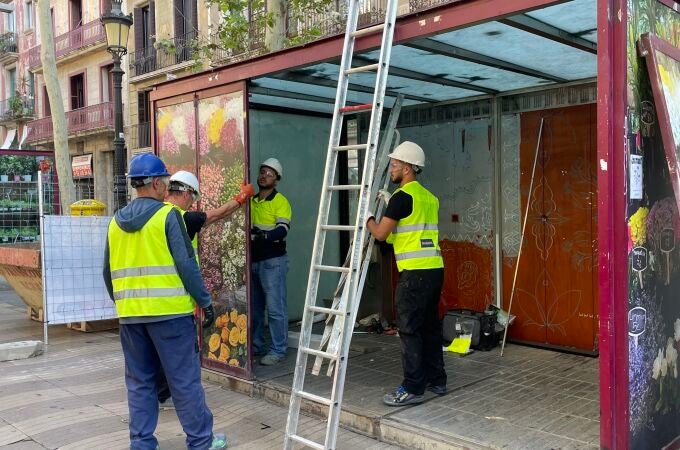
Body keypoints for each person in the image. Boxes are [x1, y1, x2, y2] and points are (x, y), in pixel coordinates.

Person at [102, 154, 228, 450]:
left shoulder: (115, 222)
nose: (167, 188)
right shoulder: (167, 216)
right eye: (166, 182)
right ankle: (201, 442)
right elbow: (187, 265)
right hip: (171, 317)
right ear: (157, 183)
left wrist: (125, 305)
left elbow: (107, 273)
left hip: (131, 319)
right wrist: (205, 302)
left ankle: (142, 444)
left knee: (139, 383)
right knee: (184, 382)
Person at [157, 170, 254, 409]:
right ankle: (177, 400)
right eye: (193, 198)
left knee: (157, 353)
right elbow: (217, 214)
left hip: (146, 303)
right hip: (175, 299)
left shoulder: (156, 215)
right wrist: (241, 198)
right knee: (181, 355)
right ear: (187, 193)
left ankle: (159, 394)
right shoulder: (182, 218)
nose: (192, 204)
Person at [365, 141, 447, 406]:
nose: (391, 170)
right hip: (434, 270)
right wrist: (391, 208)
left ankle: (413, 387)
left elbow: (380, 234)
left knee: (410, 331)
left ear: (409, 168)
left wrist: (367, 218)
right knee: (430, 328)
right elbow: (404, 236)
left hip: (413, 275)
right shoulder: (430, 198)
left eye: (395, 165)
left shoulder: (402, 197)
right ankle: (437, 380)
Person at [250, 158, 291, 366]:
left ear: (277, 179)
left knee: (275, 309)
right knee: (255, 309)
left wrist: (263, 237)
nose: (264, 175)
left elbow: (283, 229)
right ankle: (256, 346)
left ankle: (278, 349)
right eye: (262, 171)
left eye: (269, 173)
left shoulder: (280, 201)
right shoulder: (252, 200)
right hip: (254, 262)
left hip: (273, 261)